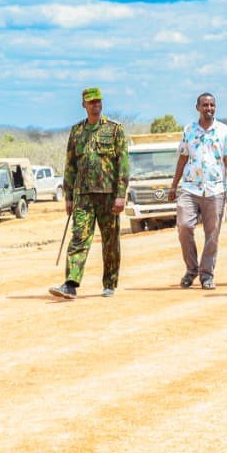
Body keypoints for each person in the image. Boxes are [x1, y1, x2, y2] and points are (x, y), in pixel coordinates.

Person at [49, 87, 130, 299]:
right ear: (84, 104)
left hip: (108, 195)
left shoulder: (115, 130)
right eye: (91, 102)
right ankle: (71, 283)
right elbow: (70, 166)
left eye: (98, 101)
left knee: (110, 240)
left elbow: (123, 164)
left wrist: (121, 194)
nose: (96, 105)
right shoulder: (76, 132)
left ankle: (110, 283)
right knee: (79, 238)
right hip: (83, 196)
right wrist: (68, 197)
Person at [168, 93, 227, 289]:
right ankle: (191, 269)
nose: (209, 108)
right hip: (190, 188)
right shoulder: (188, 130)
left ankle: (206, 274)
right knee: (184, 227)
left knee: (212, 234)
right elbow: (182, 158)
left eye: (212, 105)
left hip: (215, 189)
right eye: (205, 105)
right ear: (197, 107)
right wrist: (174, 185)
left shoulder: (224, 131)